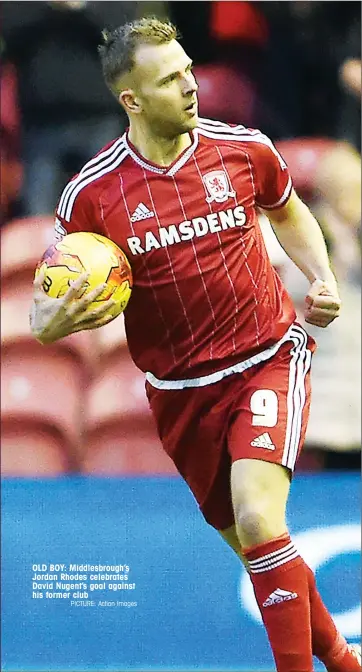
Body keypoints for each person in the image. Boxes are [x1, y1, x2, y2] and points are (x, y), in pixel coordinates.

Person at [29, 17, 361, 672]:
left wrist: (320, 277)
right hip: (181, 396)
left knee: (262, 521)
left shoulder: (242, 149)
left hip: (266, 359)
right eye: (170, 79)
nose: (191, 86)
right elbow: (46, 306)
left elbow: (289, 209)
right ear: (132, 99)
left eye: (188, 70)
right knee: (262, 554)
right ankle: (345, 663)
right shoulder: (91, 195)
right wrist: (56, 320)